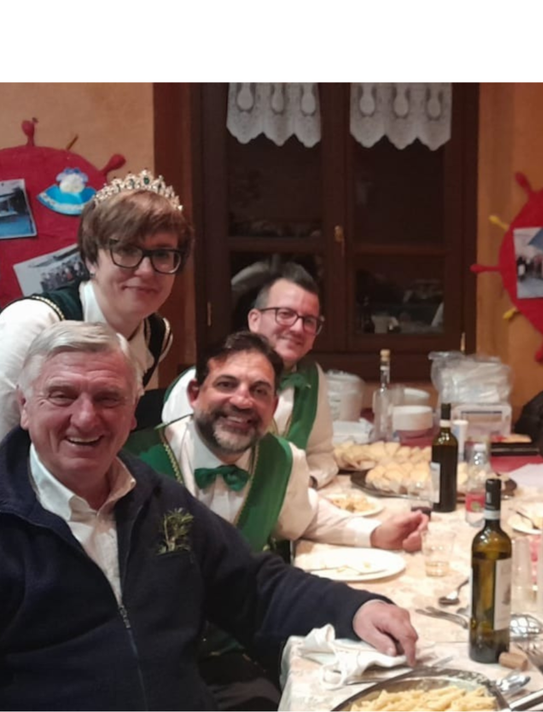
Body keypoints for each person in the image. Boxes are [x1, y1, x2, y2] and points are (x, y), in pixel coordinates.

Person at [0, 322, 419, 710]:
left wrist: (355, 609)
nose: (85, 417)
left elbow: (250, 584)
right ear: (24, 406)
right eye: (62, 395)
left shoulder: (153, 496)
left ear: (131, 413)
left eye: (108, 398)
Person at [131, 331, 428, 555]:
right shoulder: (133, 462)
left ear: (272, 407)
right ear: (195, 394)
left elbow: (305, 516)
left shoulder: (283, 460)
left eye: (259, 390)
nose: (242, 401)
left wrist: (376, 533)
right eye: (226, 384)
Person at [0, 170, 192, 437]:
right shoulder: (33, 323)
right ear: (91, 259)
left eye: (162, 254)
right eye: (126, 250)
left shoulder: (157, 335)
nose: (146, 271)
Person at [163, 263, 340, 488]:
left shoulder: (312, 379)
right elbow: (178, 465)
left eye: (309, 321)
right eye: (285, 314)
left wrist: (300, 487)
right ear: (254, 319)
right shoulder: (201, 382)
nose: (298, 328)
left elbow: (321, 455)